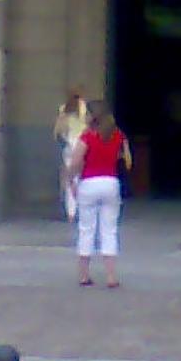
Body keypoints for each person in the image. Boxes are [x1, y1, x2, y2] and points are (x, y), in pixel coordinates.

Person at [69, 101, 132, 287]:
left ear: (92, 116)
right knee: (109, 230)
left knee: (86, 229)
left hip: (89, 183)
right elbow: (128, 161)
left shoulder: (87, 136)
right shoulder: (118, 135)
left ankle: (84, 275)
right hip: (111, 183)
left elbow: (76, 161)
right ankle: (111, 276)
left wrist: (71, 181)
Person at [52, 89, 90, 220]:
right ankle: (82, 209)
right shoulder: (83, 107)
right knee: (82, 178)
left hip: (69, 144)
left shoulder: (63, 109)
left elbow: (57, 131)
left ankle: (71, 213)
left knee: (70, 179)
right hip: (82, 144)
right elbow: (88, 126)